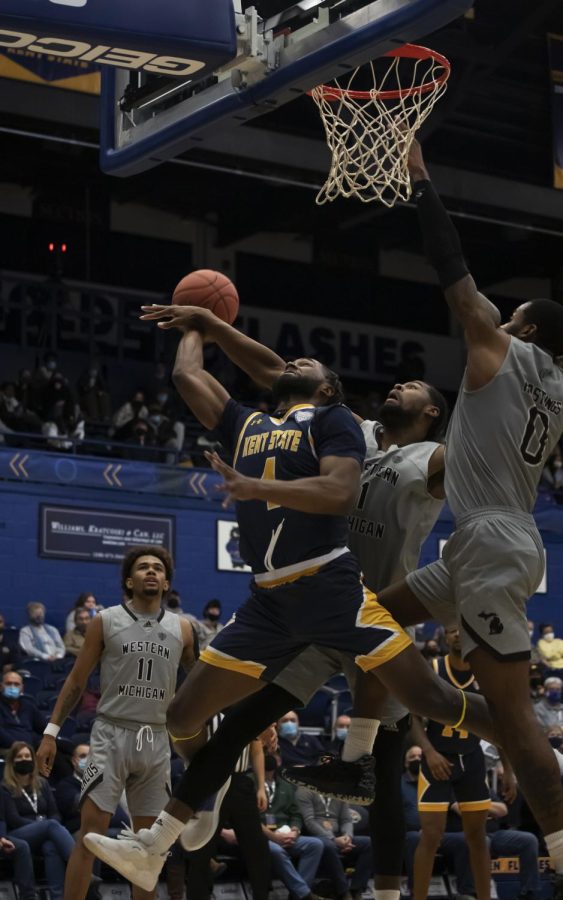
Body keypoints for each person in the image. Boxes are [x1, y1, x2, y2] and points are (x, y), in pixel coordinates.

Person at [83, 305, 498, 892]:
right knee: (218, 721)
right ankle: (180, 821)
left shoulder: (426, 456)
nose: (398, 386)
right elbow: (279, 374)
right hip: (292, 606)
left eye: (412, 386)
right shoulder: (344, 426)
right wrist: (209, 324)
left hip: (365, 598)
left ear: (432, 412)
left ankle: (388, 881)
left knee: (389, 749)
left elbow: (470, 464)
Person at [322, 138, 563, 889]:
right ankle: (356, 761)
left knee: (516, 724)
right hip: (485, 539)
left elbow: (448, 264)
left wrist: (420, 180)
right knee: (373, 618)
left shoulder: (500, 349)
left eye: (510, 311)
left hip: (492, 539)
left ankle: (561, 848)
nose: (497, 313)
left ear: (520, 327)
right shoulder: (555, 388)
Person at [35, 545, 196, 900]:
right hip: (111, 734)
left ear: (166, 582)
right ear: (129, 580)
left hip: (155, 740)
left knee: (148, 848)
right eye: (142, 568)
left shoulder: (183, 629)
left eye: (157, 568)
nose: (151, 572)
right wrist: (50, 733)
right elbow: (76, 681)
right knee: (90, 835)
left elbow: (203, 687)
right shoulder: (105, 620)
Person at [409, 626, 492, 900]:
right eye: (452, 630)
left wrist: (510, 772)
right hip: (438, 760)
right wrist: (429, 752)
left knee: (478, 837)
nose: (458, 634)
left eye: (463, 630)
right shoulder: (433, 667)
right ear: (445, 637)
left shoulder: (486, 672)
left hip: (472, 759)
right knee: (431, 836)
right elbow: (415, 718)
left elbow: (501, 722)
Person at [2, 742, 75, 900]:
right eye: (19, 757)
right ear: (12, 762)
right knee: (51, 826)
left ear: (33, 760)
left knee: (51, 846)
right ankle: (80, 870)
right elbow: (13, 819)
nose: (24, 759)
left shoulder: (42, 784)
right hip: (18, 832)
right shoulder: (5, 788)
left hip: (44, 831)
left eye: (27, 756)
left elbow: (54, 813)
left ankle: (58, 897)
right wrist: (42, 826)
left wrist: (46, 826)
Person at [260, 755, 325, 900]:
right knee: (275, 850)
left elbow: (296, 814)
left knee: (315, 845)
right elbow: (249, 819)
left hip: (285, 833)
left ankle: (296, 895)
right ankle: (305, 895)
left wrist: (295, 831)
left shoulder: (286, 785)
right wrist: (274, 837)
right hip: (262, 835)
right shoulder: (250, 782)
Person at [296, 785, 373, 900]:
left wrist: (347, 837)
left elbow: (346, 820)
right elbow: (309, 821)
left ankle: (356, 889)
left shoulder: (339, 791)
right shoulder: (305, 790)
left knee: (369, 843)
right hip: (315, 836)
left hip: (338, 836)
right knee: (328, 845)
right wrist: (333, 839)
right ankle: (344, 891)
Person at [56, 743, 128, 836]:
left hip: (117, 829)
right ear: (74, 761)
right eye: (83, 756)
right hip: (85, 833)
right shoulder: (66, 785)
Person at [0, 670, 46, 750]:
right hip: (7, 749)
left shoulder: (28, 706)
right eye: (8, 683)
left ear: (22, 688)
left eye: (16, 684)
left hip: (30, 749)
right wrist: (17, 746)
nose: (12, 687)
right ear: (1, 687)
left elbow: (44, 728)